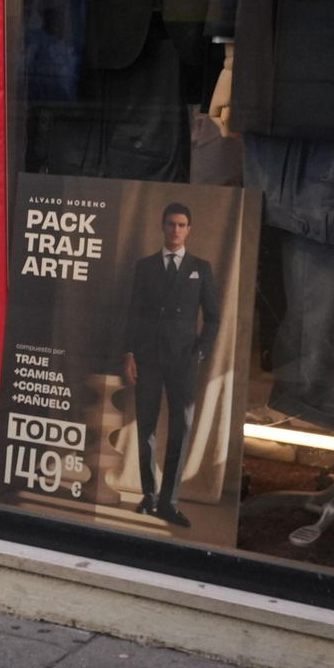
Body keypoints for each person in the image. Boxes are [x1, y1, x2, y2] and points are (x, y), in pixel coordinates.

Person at [120, 202, 221, 527]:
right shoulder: (145, 266)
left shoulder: (200, 268)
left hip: (183, 360)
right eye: (170, 224)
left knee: (181, 428)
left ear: (188, 229)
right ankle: (149, 497)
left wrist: (201, 352)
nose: (175, 230)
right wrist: (130, 354)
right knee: (146, 426)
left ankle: (169, 502)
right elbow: (133, 312)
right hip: (148, 357)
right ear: (162, 227)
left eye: (181, 225)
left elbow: (214, 318)